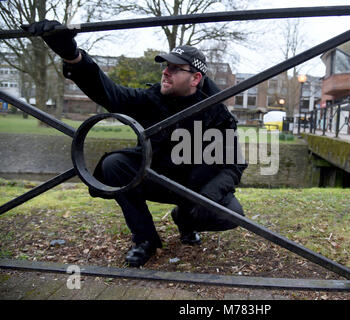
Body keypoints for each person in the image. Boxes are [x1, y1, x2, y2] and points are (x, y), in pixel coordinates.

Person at [23, 20, 247, 268]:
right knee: (114, 164)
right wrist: (73, 57)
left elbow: (233, 165)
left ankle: (185, 219)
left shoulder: (217, 114)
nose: (165, 72)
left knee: (230, 215)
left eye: (174, 68)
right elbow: (110, 93)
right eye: (165, 67)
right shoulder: (152, 99)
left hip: (197, 186)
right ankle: (145, 240)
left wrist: (207, 197)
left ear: (195, 78)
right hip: (156, 177)